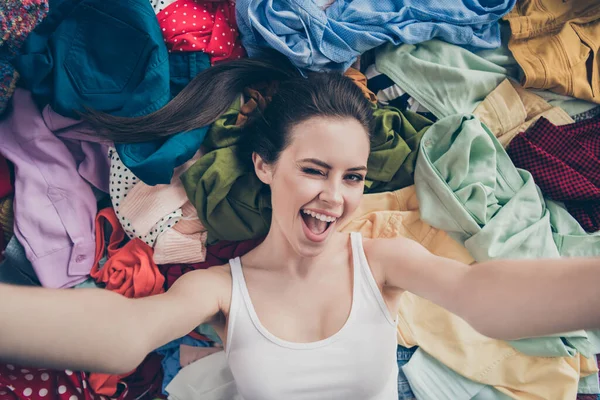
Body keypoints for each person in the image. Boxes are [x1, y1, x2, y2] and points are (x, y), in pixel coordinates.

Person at [1, 56, 600, 400]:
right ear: (265, 166)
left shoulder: (380, 260)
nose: (334, 198)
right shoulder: (221, 289)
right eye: (314, 171)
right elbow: (126, 333)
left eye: (353, 177)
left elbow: (484, 297)